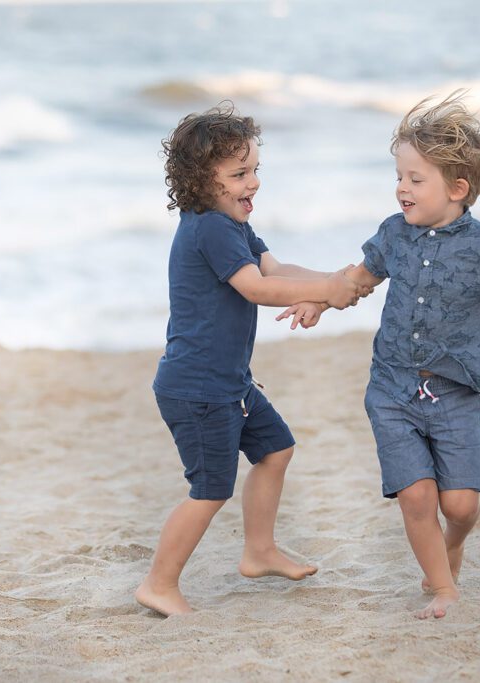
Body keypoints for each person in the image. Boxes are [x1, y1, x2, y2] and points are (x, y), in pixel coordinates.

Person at [278, 92, 480, 619]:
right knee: (417, 498)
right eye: (399, 177)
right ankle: (443, 586)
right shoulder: (393, 234)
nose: (402, 188)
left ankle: (454, 542)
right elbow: (359, 279)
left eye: (415, 179)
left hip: (454, 392)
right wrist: (316, 299)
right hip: (392, 388)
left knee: (461, 505)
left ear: (457, 189)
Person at [135, 102, 367, 617]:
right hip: (197, 388)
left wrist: (333, 284)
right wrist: (327, 289)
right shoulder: (208, 230)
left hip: (229, 383)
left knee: (276, 449)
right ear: (200, 181)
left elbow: (276, 267)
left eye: (255, 169)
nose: (253, 182)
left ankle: (259, 550)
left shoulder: (232, 223)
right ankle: (159, 583)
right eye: (239, 173)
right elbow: (257, 289)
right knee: (209, 489)